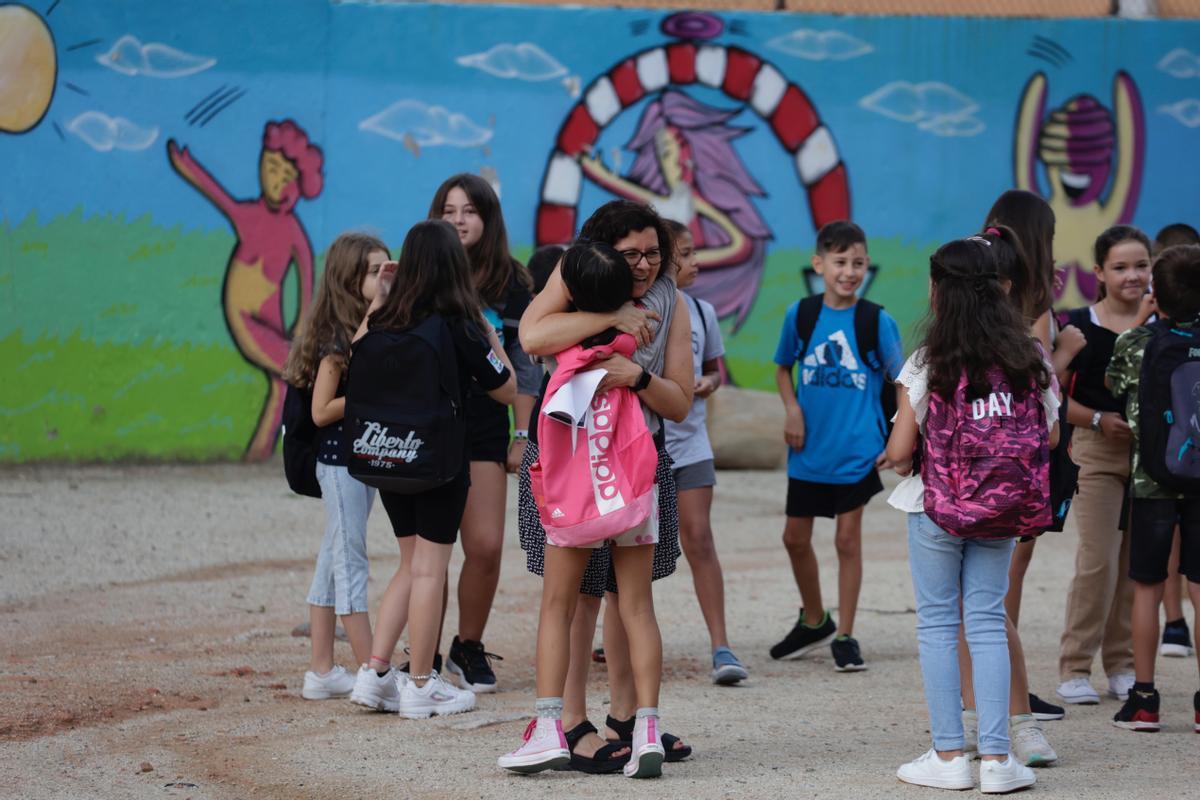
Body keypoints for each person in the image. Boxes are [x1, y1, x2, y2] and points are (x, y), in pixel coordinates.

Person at [515, 200, 695, 773]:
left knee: (627, 599)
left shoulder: (672, 302)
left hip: (636, 457)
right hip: (570, 458)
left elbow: (682, 403)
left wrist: (637, 376)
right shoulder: (577, 276)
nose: (644, 265)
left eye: (653, 253)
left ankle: (629, 720)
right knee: (577, 597)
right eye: (631, 254)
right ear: (601, 252)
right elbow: (532, 335)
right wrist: (611, 320)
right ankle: (569, 724)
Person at [887, 235, 1058, 793]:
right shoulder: (1030, 358)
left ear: (938, 292)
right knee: (986, 621)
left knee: (938, 623)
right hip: (1003, 510)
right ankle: (998, 761)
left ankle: (948, 756)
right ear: (998, 290)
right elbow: (1051, 434)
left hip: (935, 507)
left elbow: (898, 453)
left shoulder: (927, 361)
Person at [347, 220, 515, 718]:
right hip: (438, 464)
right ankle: (421, 683)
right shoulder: (457, 323)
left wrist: (379, 299)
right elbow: (505, 385)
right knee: (430, 569)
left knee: (408, 563)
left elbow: (355, 358)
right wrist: (485, 327)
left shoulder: (384, 319)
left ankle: (375, 674)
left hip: (387, 459)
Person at [770, 220, 903, 671]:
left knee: (847, 541)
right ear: (819, 264)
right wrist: (791, 409)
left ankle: (845, 633)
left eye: (858, 263)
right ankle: (814, 618)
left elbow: (901, 382)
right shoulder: (801, 315)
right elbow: (782, 369)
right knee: (794, 538)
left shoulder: (876, 321)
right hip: (808, 448)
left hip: (856, 449)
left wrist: (897, 439)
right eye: (840, 262)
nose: (849, 271)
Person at [428, 174, 540, 693]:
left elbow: (525, 361)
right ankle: (423, 649)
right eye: (449, 210)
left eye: (469, 210)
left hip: (485, 427)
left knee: (487, 545)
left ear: (488, 219)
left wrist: (522, 432)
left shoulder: (513, 283)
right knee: (431, 550)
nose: (458, 219)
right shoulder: (422, 275)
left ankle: (466, 646)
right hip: (426, 429)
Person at [167, 122, 324, 460]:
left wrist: (300, 325)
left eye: (285, 174)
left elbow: (307, 274)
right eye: (270, 167)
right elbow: (219, 196)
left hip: (272, 319)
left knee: (286, 383)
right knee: (303, 375)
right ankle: (318, 447)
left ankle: (259, 453)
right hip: (244, 317)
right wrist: (187, 167)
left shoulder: (293, 228)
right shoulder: (250, 214)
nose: (275, 179)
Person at [282, 232, 388, 700]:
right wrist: (372, 396)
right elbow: (322, 411)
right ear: (349, 279)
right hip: (339, 463)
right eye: (373, 271)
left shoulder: (369, 329)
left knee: (332, 559)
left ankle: (322, 672)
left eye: (389, 268)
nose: (384, 278)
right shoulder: (335, 340)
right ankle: (373, 670)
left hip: (358, 463)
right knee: (349, 563)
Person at [1057, 225, 1156, 706]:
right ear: (1098, 273)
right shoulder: (1076, 327)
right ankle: (1075, 666)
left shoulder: (1162, 325)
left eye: (1141, 265)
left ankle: (1121, 665)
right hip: (1094, 453)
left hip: (1150, 460)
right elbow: (1051, 395)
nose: (1132, 275)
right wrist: (1096, 418)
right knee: (1097, 560)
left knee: (1136, 565)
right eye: (1120, 267)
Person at [1107, 243, 1200, 732]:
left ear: (1155, 292)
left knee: (1146, 588)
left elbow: (1117, 389)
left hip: (1151, 483)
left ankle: (1144, 700)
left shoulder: (1136, 342)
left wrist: (1145, 321)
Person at [661, 219, 747, 684]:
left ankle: (722, 647)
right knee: (632, 549)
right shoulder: (638, 312)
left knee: (698, 538)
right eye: (688, 253)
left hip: (691, 444)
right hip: (643, 448)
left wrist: (707, 384)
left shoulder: (702, 311)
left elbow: (715, 370)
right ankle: (617, 637)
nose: (696, 261)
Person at [1152, 224, 1200, 660]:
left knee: (1175, 539)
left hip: (1163, 463)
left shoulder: (1146, 336)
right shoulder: (1149, 333)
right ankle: (1173, 619)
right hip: (1175, 454)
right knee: (1172, 540)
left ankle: (1176, 622)